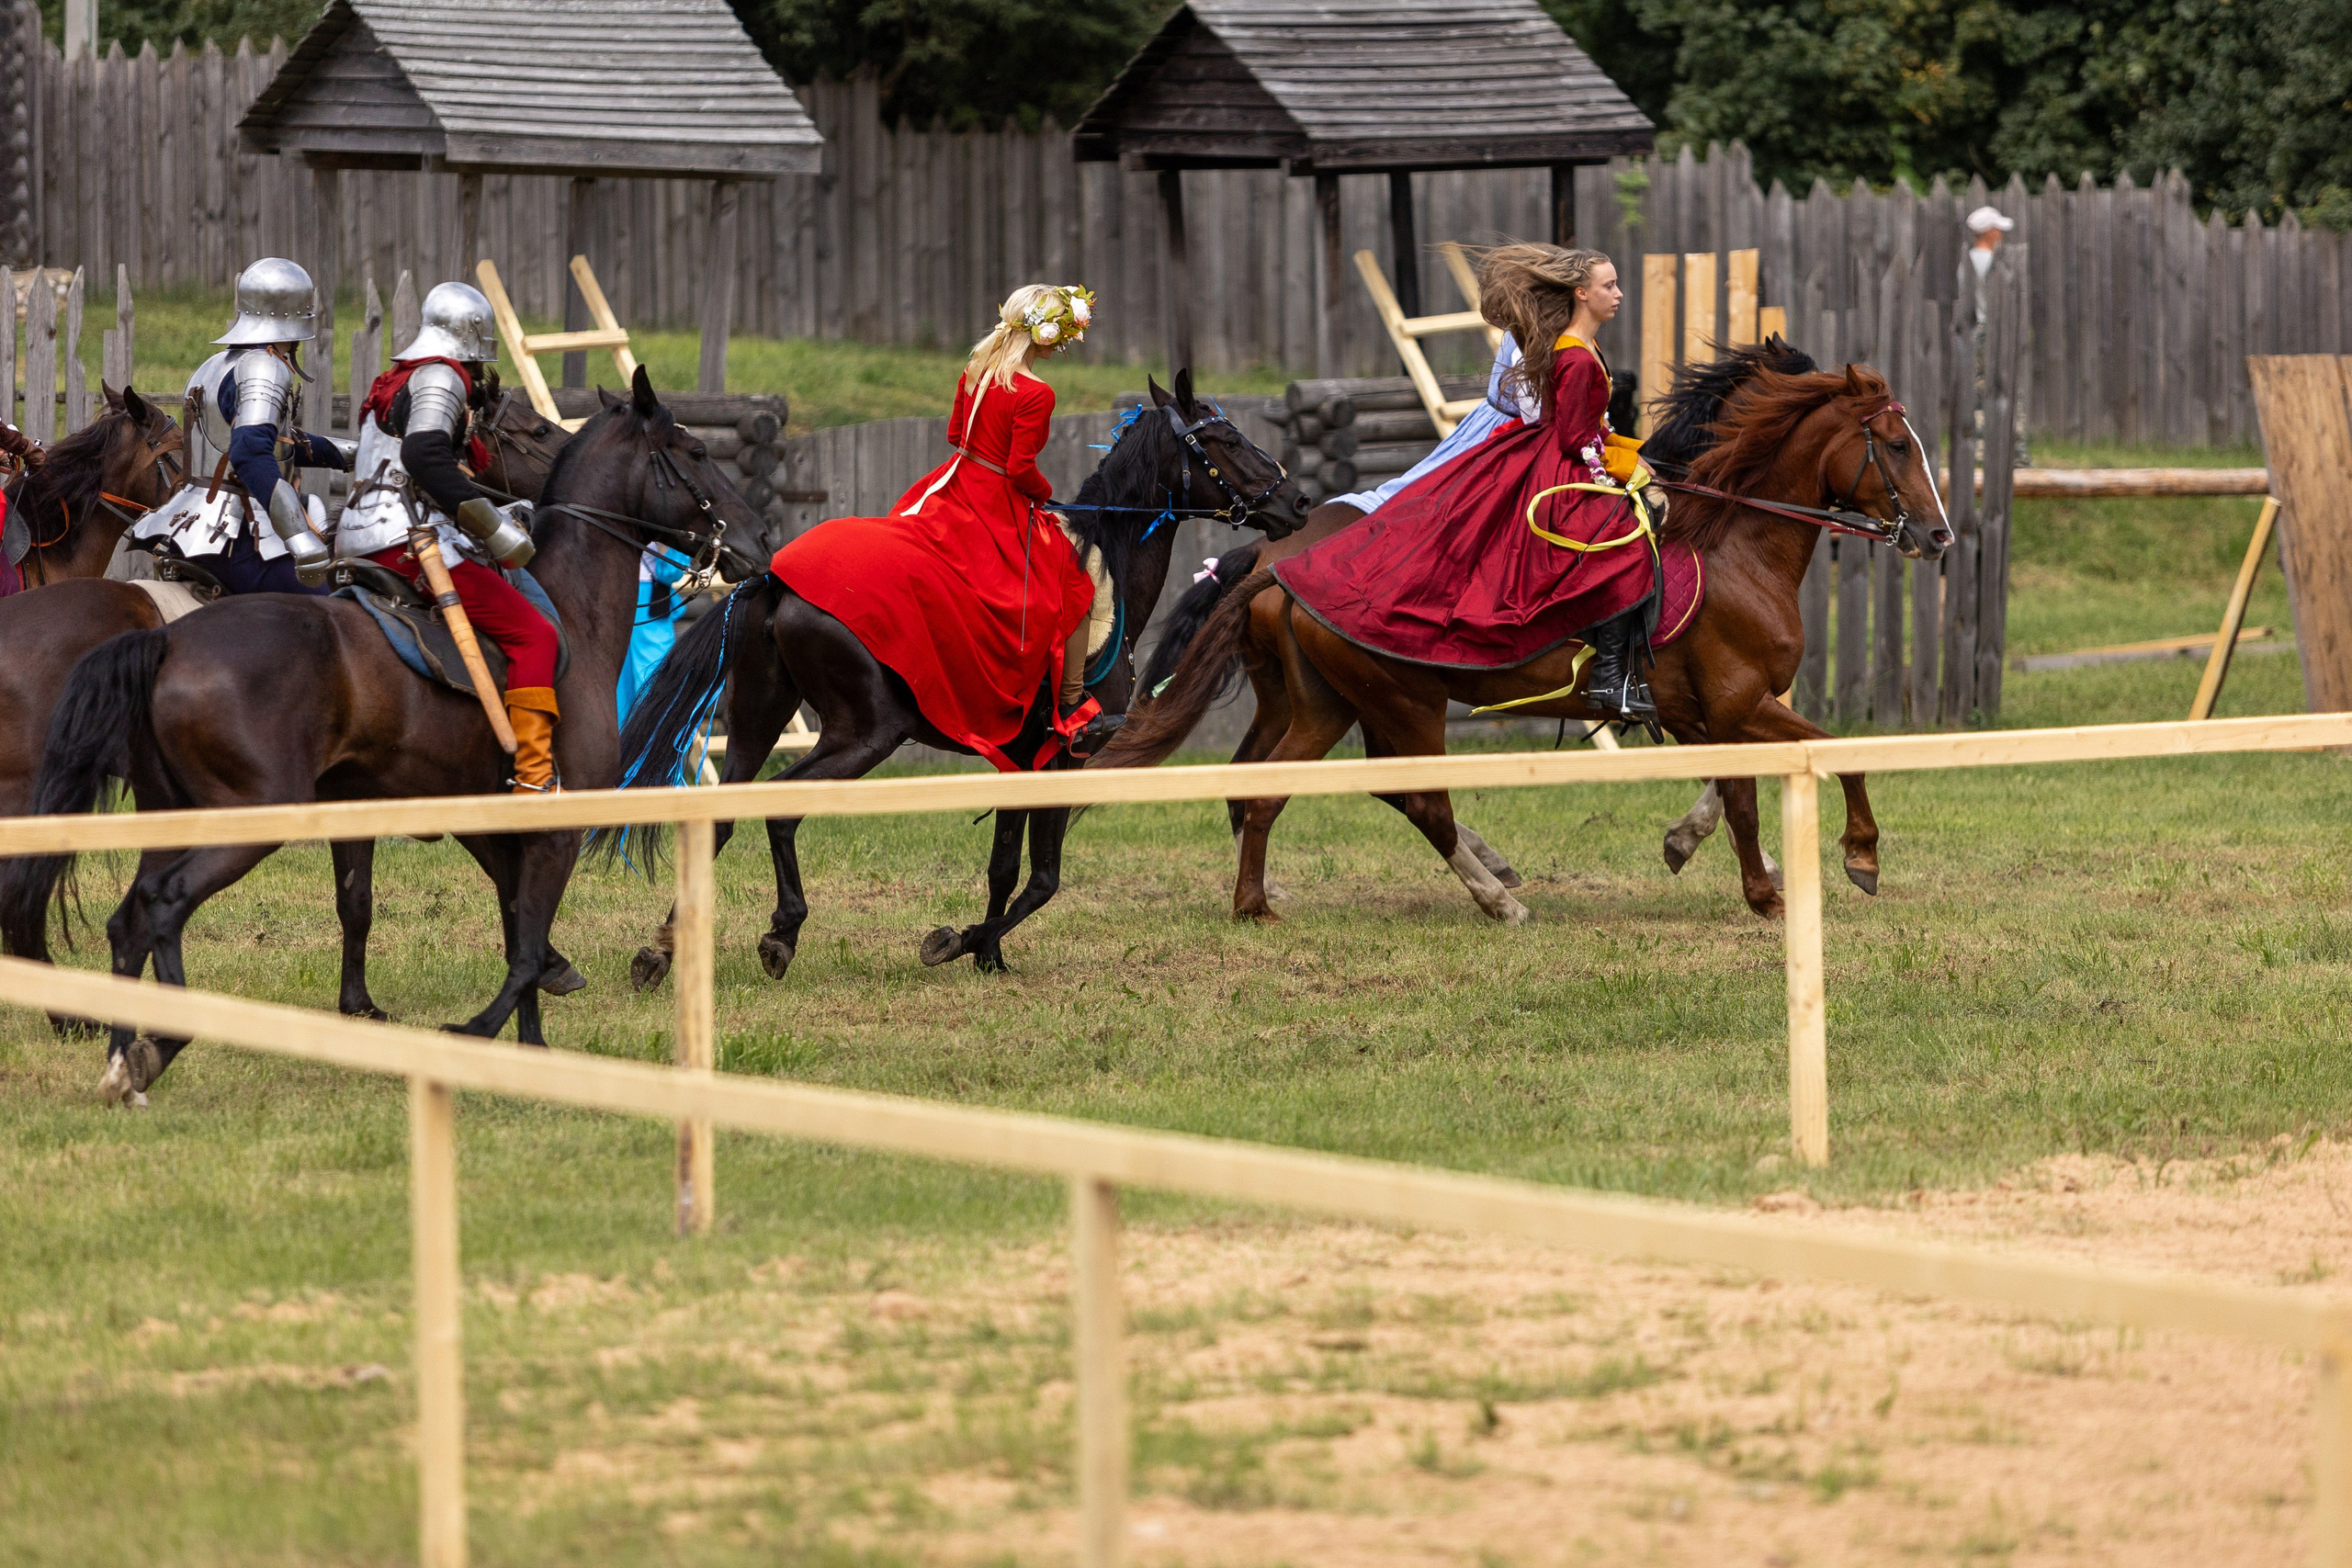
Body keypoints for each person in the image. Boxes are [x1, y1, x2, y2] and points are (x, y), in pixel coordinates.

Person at [1272, 244, 1661, 722]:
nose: (1620, 294)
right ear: (1581, 294)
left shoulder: (1578, 346)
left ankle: (1617, 674)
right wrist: (1623, 465)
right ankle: (1611, 677)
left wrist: (1635, 453)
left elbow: (1585, 426)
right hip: (1555, 463)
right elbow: (1573, 434)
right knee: (1620, 548)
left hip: (1549, 451)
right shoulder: (1574, 355)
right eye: (1609, 286)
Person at [769, 284, 1114, 769]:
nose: (1060, 348)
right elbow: (1019, 469)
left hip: (953, 483)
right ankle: (1072, 704)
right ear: (1046, 335)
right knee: (1073, 586)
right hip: (995, 501)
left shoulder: (976, 371)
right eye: (1061, 338)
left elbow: (957, 435)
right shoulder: (1037, 392)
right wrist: (1043, 493)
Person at [338, 281, 556, 791]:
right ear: (473, 340)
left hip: (357, 533)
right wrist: (493, 524)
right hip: (407, 538)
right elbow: (424, 457)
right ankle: (534, 778)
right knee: (535, 635)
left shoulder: (396, 380)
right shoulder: (443, 378)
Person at [130, 257, 353, 592]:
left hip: (194, 526)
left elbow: (276, 443)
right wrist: (300, 538)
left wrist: (356, 454)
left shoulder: (215, 364)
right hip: (240, 536)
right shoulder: (265, 367)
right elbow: (249, 453)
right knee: (332, 609)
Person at [616, 541, 695, 722]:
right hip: (645, 600)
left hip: (624, 595)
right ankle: (647, 744)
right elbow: (671, 571)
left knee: (627, 683)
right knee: (652, 678)